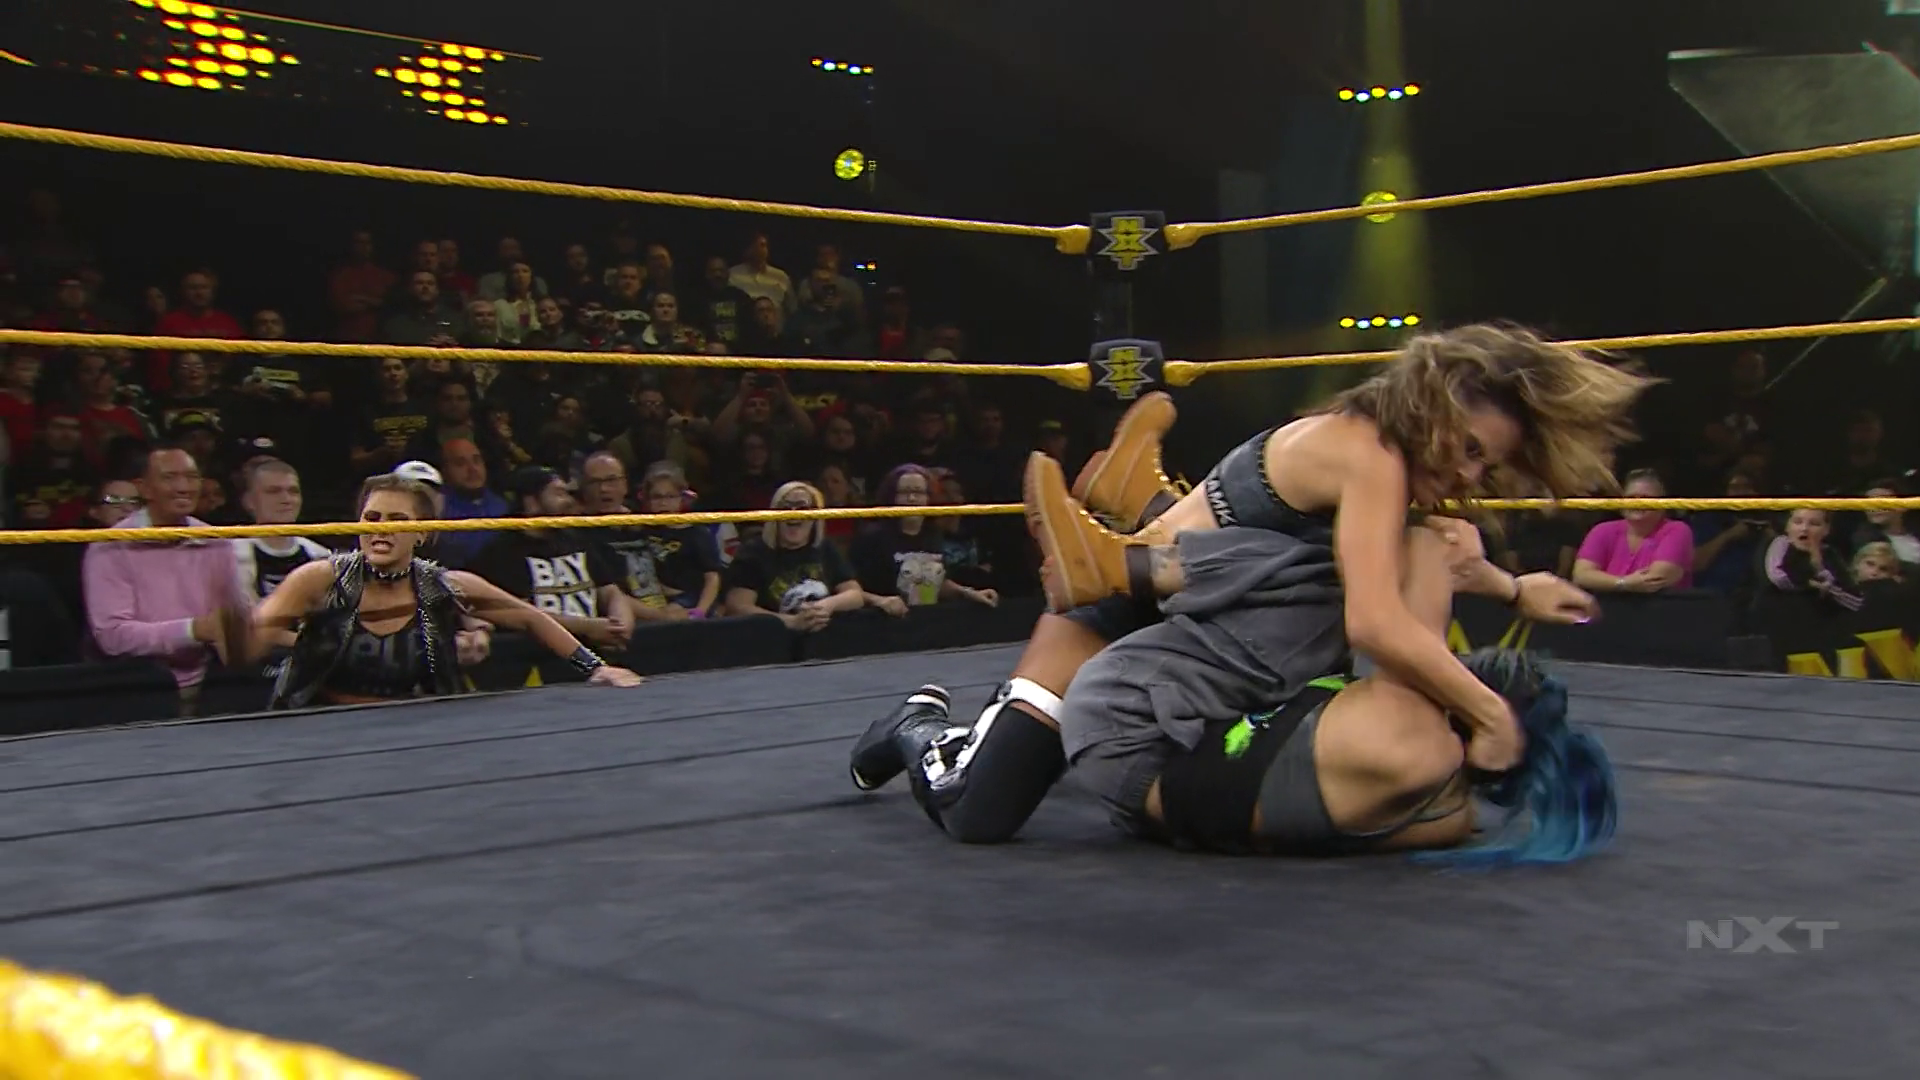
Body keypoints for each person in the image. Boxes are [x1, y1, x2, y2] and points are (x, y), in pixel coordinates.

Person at [853, 323, 1648, 860]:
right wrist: (1490, 714)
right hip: (1119, 602)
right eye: (1470, 450)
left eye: (1487, 466)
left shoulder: (1375, 453)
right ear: (1434, 404)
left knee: (1369, 564)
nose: (1471, 475)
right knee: (981, 810)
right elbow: (1376, 620)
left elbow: (1415, 555)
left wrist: (1512, 589)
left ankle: (1142, 500)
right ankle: (918, 724)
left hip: (1193, 617)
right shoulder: (1375, 456)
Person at [240, 474, 643, 709]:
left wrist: (595, 667)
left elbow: (528, 617)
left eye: (397, 519)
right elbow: (255, 631)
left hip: (411, 722)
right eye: (372, 517)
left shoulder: (445, 585)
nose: (381, 528)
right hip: (321, 720)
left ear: (422, 533)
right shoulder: (319, 579)